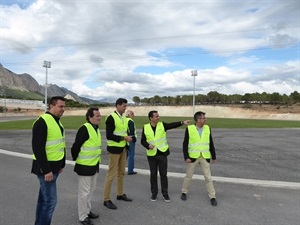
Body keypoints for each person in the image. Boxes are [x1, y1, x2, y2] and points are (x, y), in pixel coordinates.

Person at [140, 110, 190, 203]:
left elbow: (172, 125)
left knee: (163, 174)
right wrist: (148, 146)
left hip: (162, 154)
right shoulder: (145, 127)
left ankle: (165, 193)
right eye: (156, 116)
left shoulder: (162, 125)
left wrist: (182, 122)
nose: (158, 117)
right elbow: (142, 140)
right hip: (151, 155)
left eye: (158, 116)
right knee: (153, 174)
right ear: (151, 118)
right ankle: (154, 193)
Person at [31, 96, 66, 225]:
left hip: (54, 168)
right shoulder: (43, 121)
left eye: (64, 106)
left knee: (43, 200)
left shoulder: (56, 121)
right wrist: (46, 170)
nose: (63, 109)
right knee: (51, 201)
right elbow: (38, 148)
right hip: (46, 170)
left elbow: (59, 144)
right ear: (51, 106)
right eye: (60, 106)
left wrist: (61, 164)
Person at [71, 108, 102, 225]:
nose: (99, 118)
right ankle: (82, 216)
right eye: (97, 116)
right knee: (84, 192)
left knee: (91, 191)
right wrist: (77, 159)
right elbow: (75, 146)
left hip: (94, 165)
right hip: (85, 166)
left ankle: (87, 211)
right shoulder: (85, 128)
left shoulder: (96, 129)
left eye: (100, 116)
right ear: (89, 117)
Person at [180, 111, 218, 206]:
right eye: (202, 118)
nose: (205, 119)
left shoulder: (207, 128)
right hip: (193, 157)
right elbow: (185, 144)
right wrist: (186, 157)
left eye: (205, 118)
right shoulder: (189, 129)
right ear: (197, 120)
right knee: (188, 176)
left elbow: (211, 142)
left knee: (208, 177)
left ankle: (212, 196)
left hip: (204, 156)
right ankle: (184, 192)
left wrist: (213, 156)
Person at [103, 98, 133, 210]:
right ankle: (106, 199)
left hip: (123, 148)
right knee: (111, 174)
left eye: (126, 105)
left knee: (121, 173)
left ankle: (120, 194)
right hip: (114, 149)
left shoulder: (124, 117)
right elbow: (109, 135)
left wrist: (127, 138)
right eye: (124, 106)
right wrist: (123, 137)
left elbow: (124, 130)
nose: (125, 108)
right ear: (118, 105)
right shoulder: (111, 118)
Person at [126, 110, 137, 175]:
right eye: (132, 114)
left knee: (125, 155)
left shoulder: (124, 120)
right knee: (131, 155)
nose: (133, 115)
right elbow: (132, 132)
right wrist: (133, 139)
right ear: (129, 115)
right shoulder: (130, 121)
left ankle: (119, 168)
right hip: (130, 140)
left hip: (125, 139)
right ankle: (130, 170)